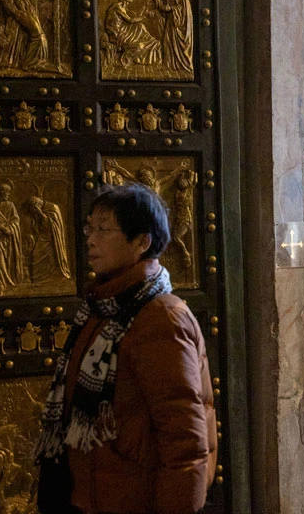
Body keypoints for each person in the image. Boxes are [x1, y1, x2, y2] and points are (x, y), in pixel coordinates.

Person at [34, 184, 216, 514]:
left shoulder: (160, 318)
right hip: (93, 496)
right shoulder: (102, 309)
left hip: (133, 498)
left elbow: (185, 443)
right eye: (91, 226)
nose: (90, 238)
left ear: (142, 242)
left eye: (104, 229)